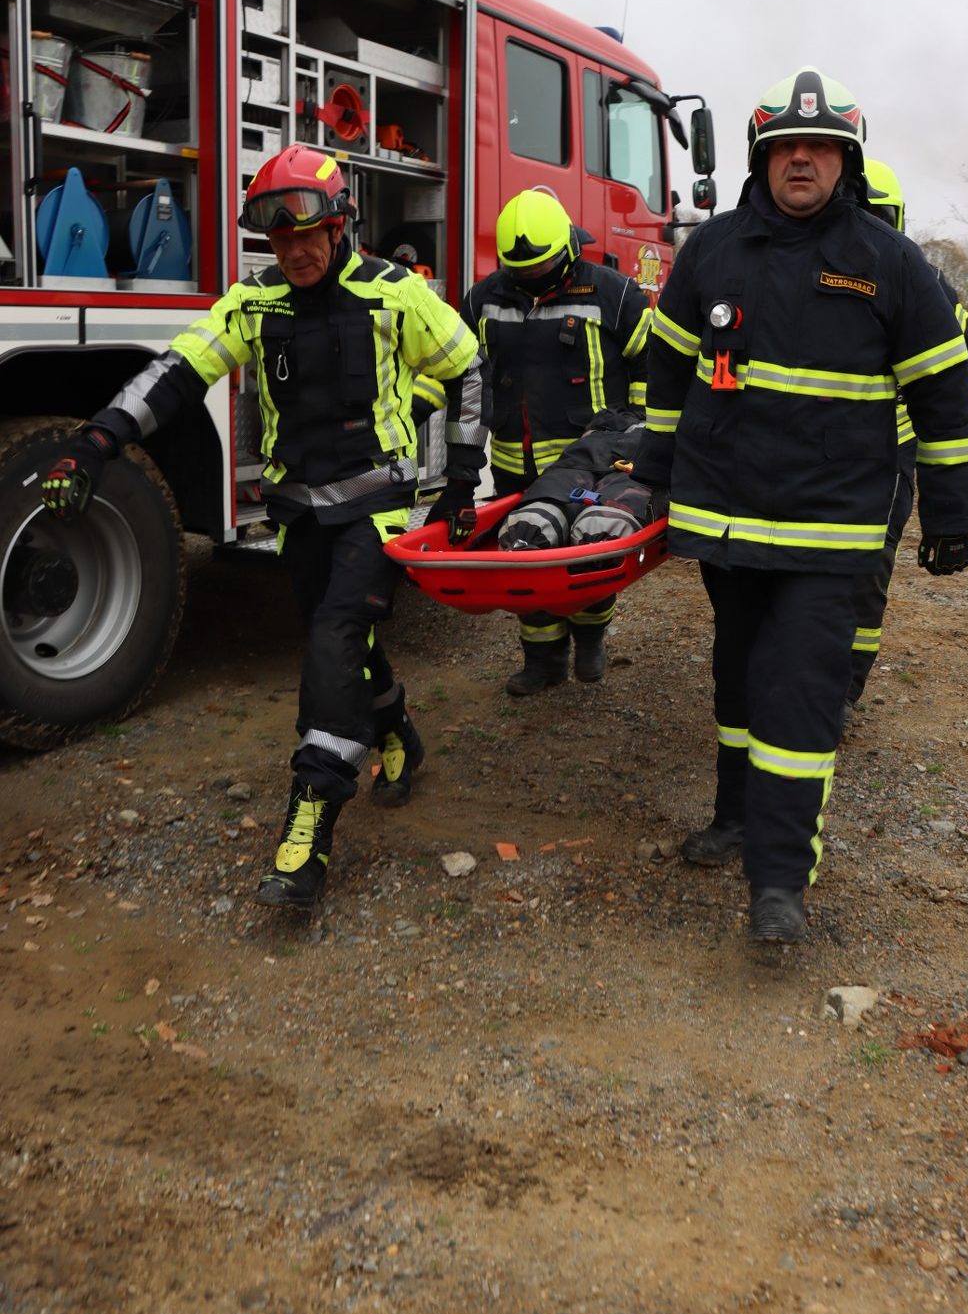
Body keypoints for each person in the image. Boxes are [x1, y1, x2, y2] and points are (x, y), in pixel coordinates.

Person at [40, 144, 489, 909]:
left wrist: (460, 483)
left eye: (308, 235)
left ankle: (309, 825)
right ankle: (396, 731)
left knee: (333, 642)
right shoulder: (256, 303)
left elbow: (467, 367)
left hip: (376, 507)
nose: (295, 252)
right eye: (280, 241)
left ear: (340, 225)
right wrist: (97, 440)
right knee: (344, 639)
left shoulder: (395, 295)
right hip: (300, 511)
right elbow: (178, 371)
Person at [632, 67, 968, 943]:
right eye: (786, 146)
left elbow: (943, 395)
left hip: (832, 534)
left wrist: (952, 515)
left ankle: (780, 880)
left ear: (845, 162)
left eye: (819, 148)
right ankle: (735, 815)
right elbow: (666, 374)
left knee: (798, 692)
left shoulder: (888, 263)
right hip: (728, 527)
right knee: (738, 678)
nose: (801, 160)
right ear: (762, 159)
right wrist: (653, 479)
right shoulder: (712, 252)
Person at [461, 188, 653, 694]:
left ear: (568, 248)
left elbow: (652, 362)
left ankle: (590, 641)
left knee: (587, 556)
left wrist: (633, 431)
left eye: (540, 268)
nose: (529, 278)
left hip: (589, 466)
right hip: (513, 463)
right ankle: (542, 661)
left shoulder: (613, 293)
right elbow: (468, 377)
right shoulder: (484, 299)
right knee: (525, 558)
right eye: (519, 271)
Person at [844, 158, 968, 720]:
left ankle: (844, 689)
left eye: (878, 216)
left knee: (869, 575)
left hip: (890, 455)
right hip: (815, 451)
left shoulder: (923, 282)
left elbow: (966, 359)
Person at [496, 409, 663, 551]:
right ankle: (534, 533)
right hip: (596, 458)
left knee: (554, 499)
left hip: (589, 458)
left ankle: (529, 535)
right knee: (612, 507)